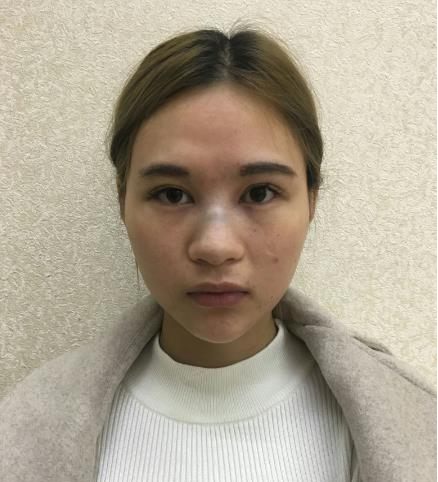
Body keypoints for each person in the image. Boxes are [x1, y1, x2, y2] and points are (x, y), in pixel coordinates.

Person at [1, 24, 436, 482]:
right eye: (171, 194)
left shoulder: (420, 428)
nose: (216, 246)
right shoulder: (23, 433)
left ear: (311, 200)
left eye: (260, 192)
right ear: (122, 200)